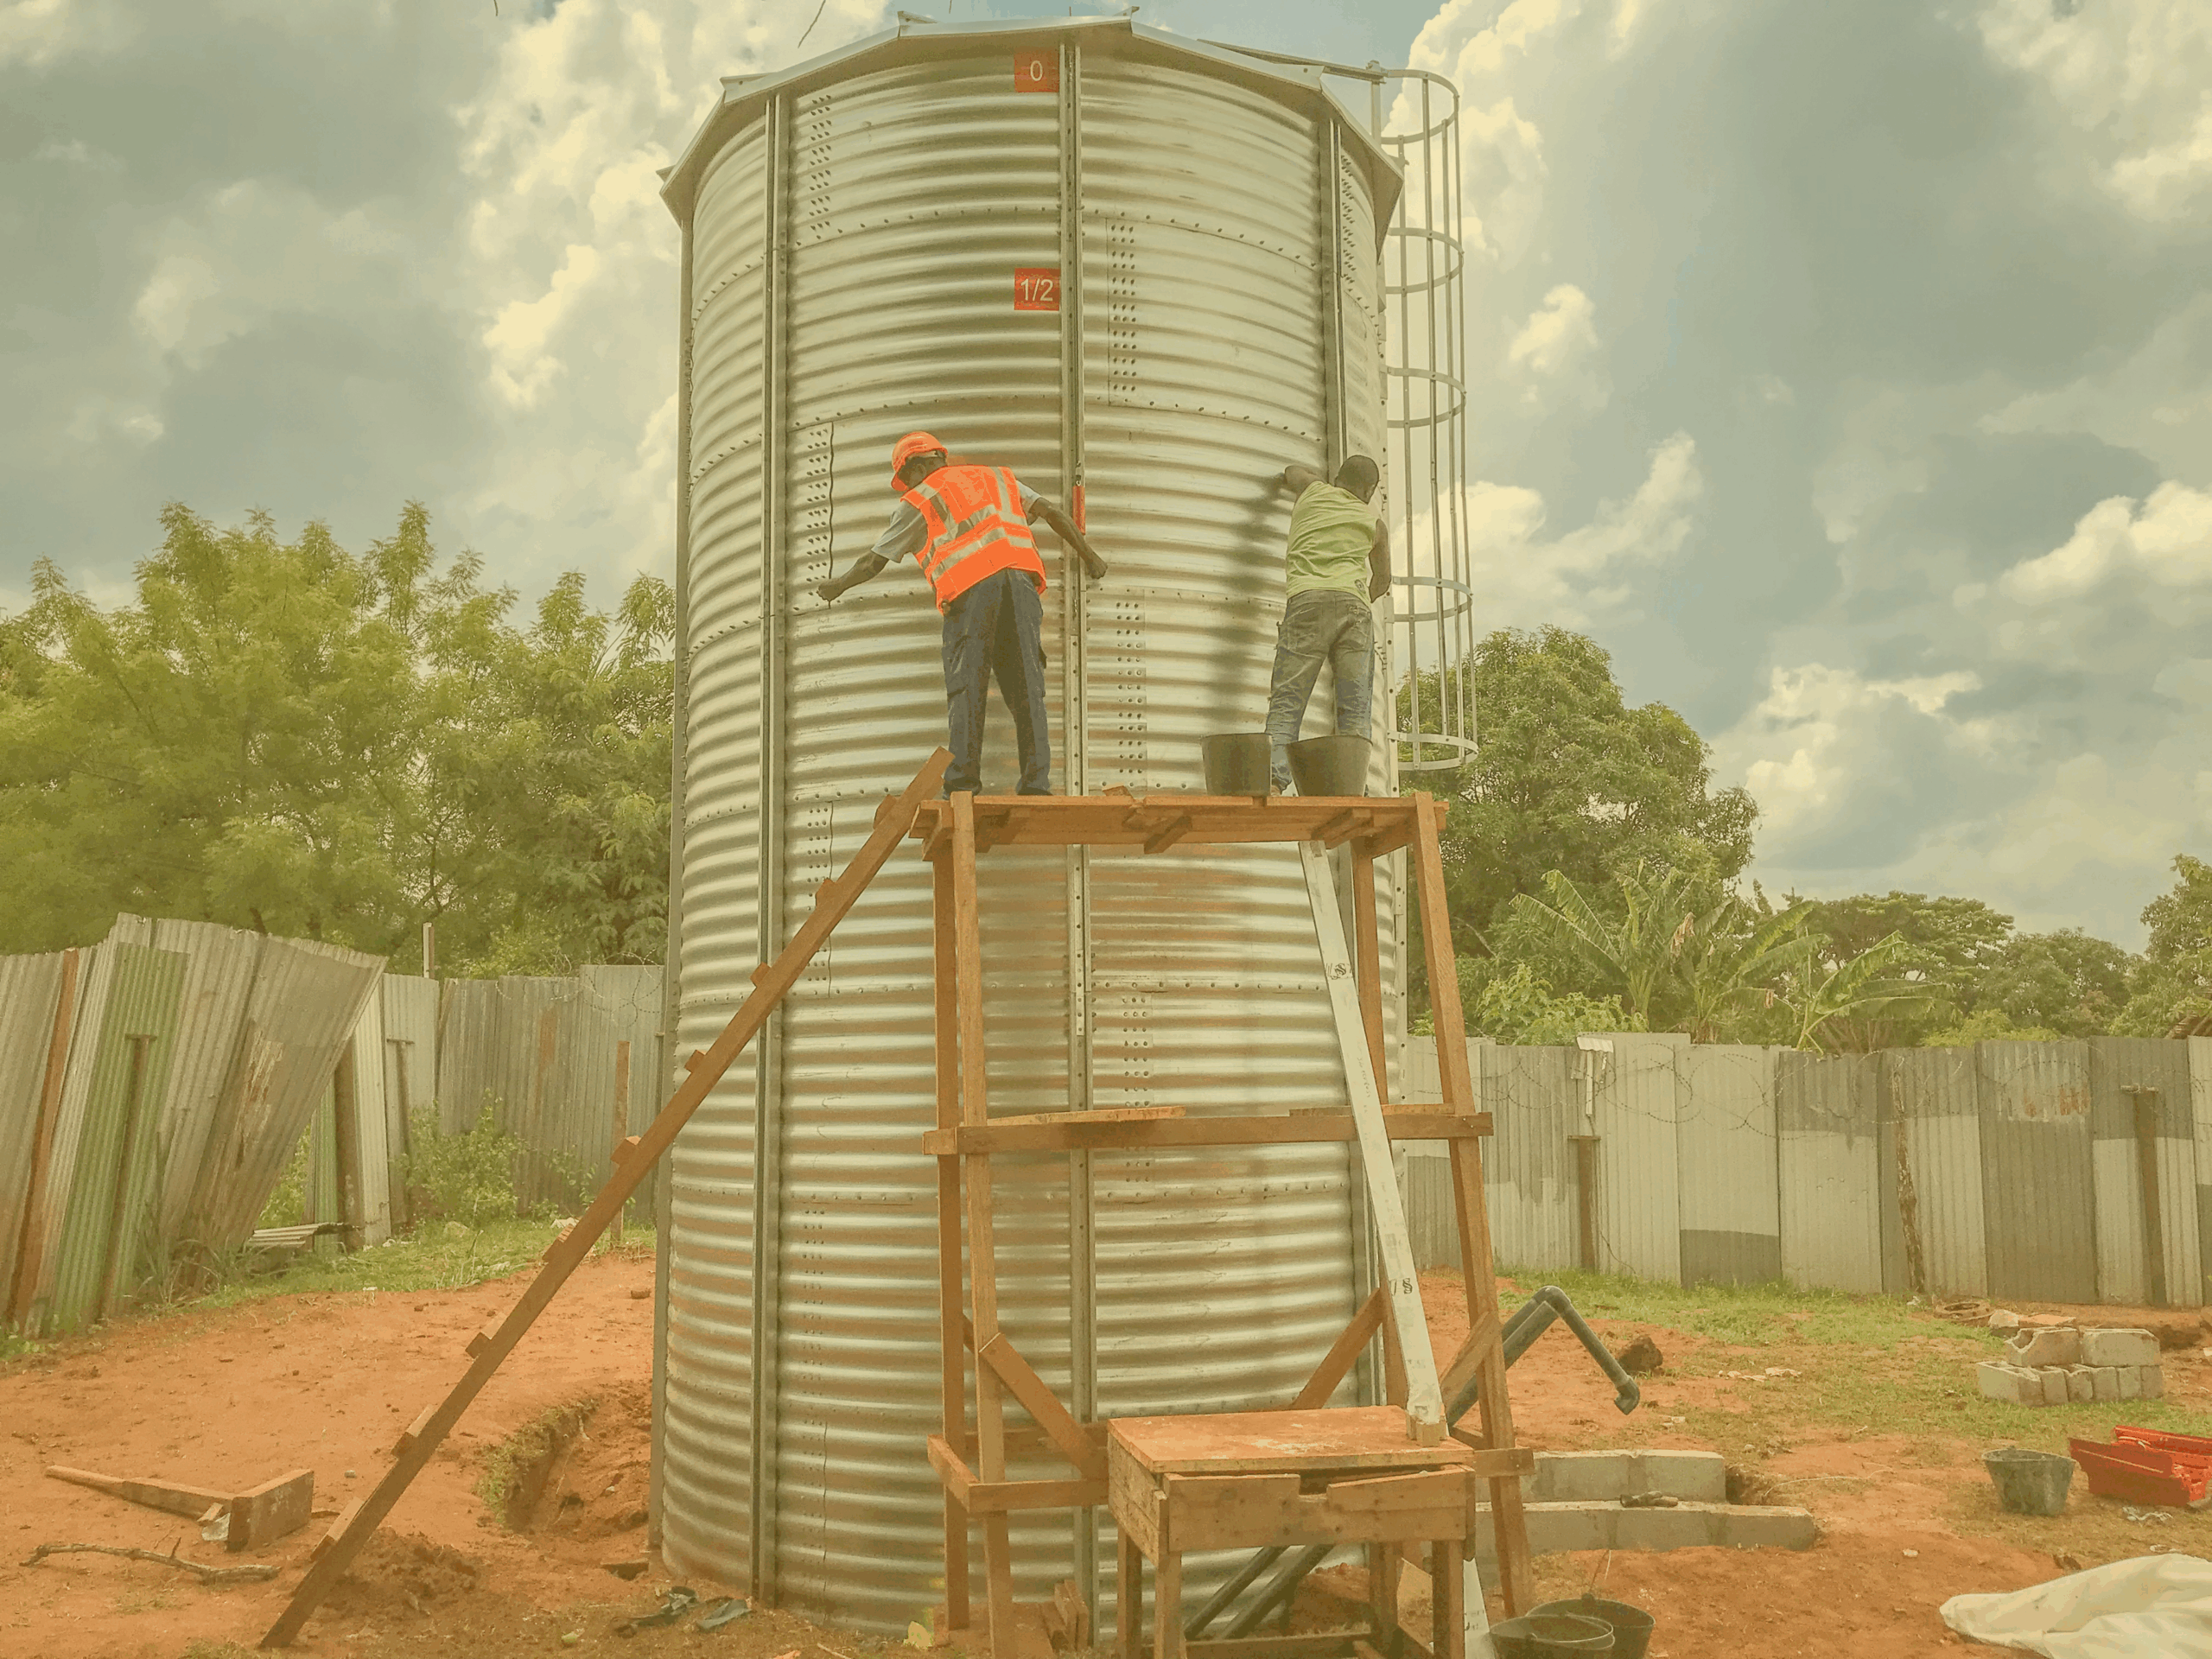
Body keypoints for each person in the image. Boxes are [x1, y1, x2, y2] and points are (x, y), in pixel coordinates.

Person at [816, 432, 1108, 797]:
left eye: (905, 478)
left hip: (972, 591)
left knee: (967, 686)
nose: (907, 486)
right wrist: (1091, 557)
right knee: (1027, 686)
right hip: (1021, 585)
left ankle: (963, 784)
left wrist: (838, 586)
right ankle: (1036, 784)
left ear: (916, 468)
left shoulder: (920, 499)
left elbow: (873, 562)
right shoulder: (997, 478)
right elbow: (1051, 512)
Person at [1266, 454, 1390, 793]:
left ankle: (1274, 782)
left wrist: (1319, 481)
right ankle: (1353, 787)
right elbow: (1382, 579)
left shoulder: (1312, 490)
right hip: (1354, 606)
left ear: (1337, 477)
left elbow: (1291, 471)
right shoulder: (1374, 523)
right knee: (1356, 705)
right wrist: (1358, 599)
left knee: (1288, 698)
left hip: (1307, 600)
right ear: (1369, 490)